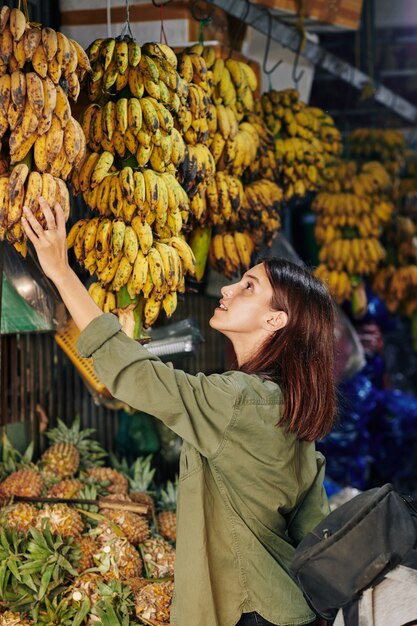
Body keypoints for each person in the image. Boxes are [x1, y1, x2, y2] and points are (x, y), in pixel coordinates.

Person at [22, 197, 337, 626]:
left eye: (249, 286)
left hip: (244, 610)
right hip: (286, 606)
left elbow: (136, 377)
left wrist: (60, 270)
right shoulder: (291, 407)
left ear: (276, 321)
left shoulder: (238, 399)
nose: (227, 288)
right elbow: (312, 528)